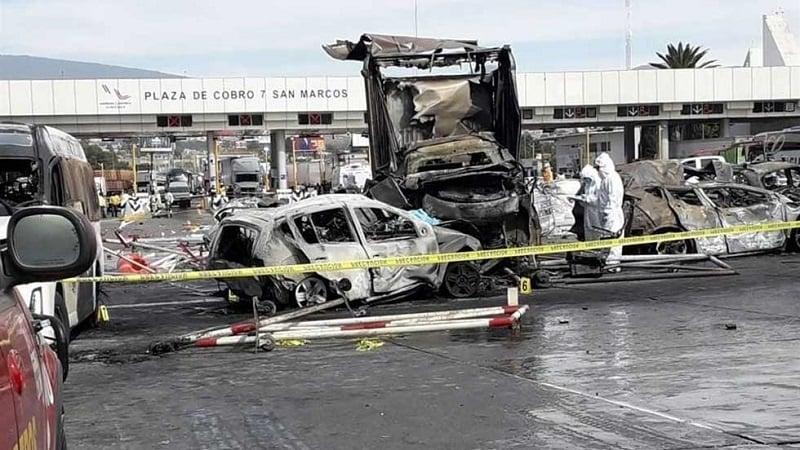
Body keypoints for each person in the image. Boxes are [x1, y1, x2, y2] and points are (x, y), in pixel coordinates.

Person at [594, 152, 625, 269]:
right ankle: (608, 262)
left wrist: (607, 214)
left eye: (598, 168)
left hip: (612, 215)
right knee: (607, 241)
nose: (598, 171)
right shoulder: (605, 179)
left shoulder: (612, 178)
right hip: (607, 214)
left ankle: (613, 265)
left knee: (614, 242)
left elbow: (612, 199)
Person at [571, 165, 603, 242]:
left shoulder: (598, 184)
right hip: (588, 211)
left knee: (596, 230)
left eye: (586, 178)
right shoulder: (588, 185)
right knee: (588, 230)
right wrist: (581, 199)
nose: (586, 180)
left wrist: (587, 199)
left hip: (596, 212)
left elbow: (599, 200)